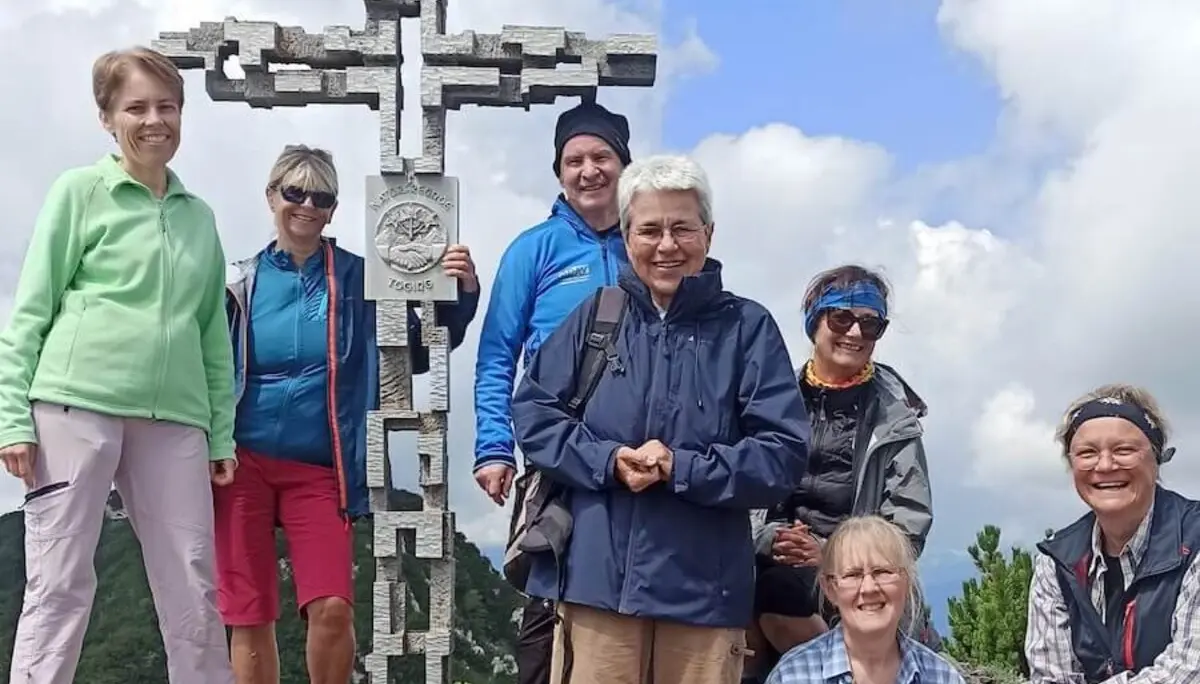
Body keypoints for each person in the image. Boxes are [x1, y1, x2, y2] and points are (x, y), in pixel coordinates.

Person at [510, 154, 811, 684]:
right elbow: (534, 414)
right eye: (649, 229)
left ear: (709, 234)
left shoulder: (747, 329)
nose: (666, 245)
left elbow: (782, 455)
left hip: (704, 599)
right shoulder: (598, 316)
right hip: (596, 589)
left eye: (682, 228)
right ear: (626, 237)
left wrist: (682, 468)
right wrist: (606, 461)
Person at [0, 47, 236, 684]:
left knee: (193, 588)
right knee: (59, 582)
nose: (153, 120)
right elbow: (32, 309)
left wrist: (221, 433)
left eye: (167, 106)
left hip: (177, 420)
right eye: (136, 106)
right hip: (74, 406)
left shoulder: (200, 218)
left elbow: (213, 336)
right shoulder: (80, 192)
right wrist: (11, 420)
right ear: (107, 118)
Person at [216, 144, 480, 684]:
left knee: (333, 607)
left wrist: (460, 293)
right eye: (294, 192)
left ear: (335, 208)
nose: (307, 205)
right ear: (271, 196)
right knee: (249, 614)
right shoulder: (237, 282)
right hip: (242, 462)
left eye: (322, 197)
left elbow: (420, 348)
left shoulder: (362, 280)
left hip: (321, 467)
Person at [471, 100, 634, 684]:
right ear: (559, 172)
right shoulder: (534, 249)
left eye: (601, 157)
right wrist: (493, 447)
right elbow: (497, 355)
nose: (589, 171)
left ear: (624, 163)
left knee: (628, 611)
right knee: (548, 605)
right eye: (574, 160)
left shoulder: (649, 243)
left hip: (638, 456)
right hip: (558, 455)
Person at [746, 265, 935, 680]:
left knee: (775, 593)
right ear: (815, 322)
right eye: (841, 318)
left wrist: (834, 555)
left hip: (856, 574)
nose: (855, 333)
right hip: (772, 561)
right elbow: (747, 492)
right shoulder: (772, 402)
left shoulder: (894, 416)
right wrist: (771, 540)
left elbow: (908, 521)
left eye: (871, 325)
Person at [1025, 384, 1200, 684]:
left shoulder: (1194, 540)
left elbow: (1187, 672)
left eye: (1124, 450)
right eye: (1087, 453)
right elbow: (1050, 676)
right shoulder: (1056, 564)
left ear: (1156, 458)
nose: (1105, 466)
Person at [765, 516, 965, 684]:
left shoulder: (941, 677)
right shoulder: (794, 676)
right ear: (830, 588)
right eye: (853, 575)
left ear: (906, 582)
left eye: (882, 572)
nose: (869, 588)